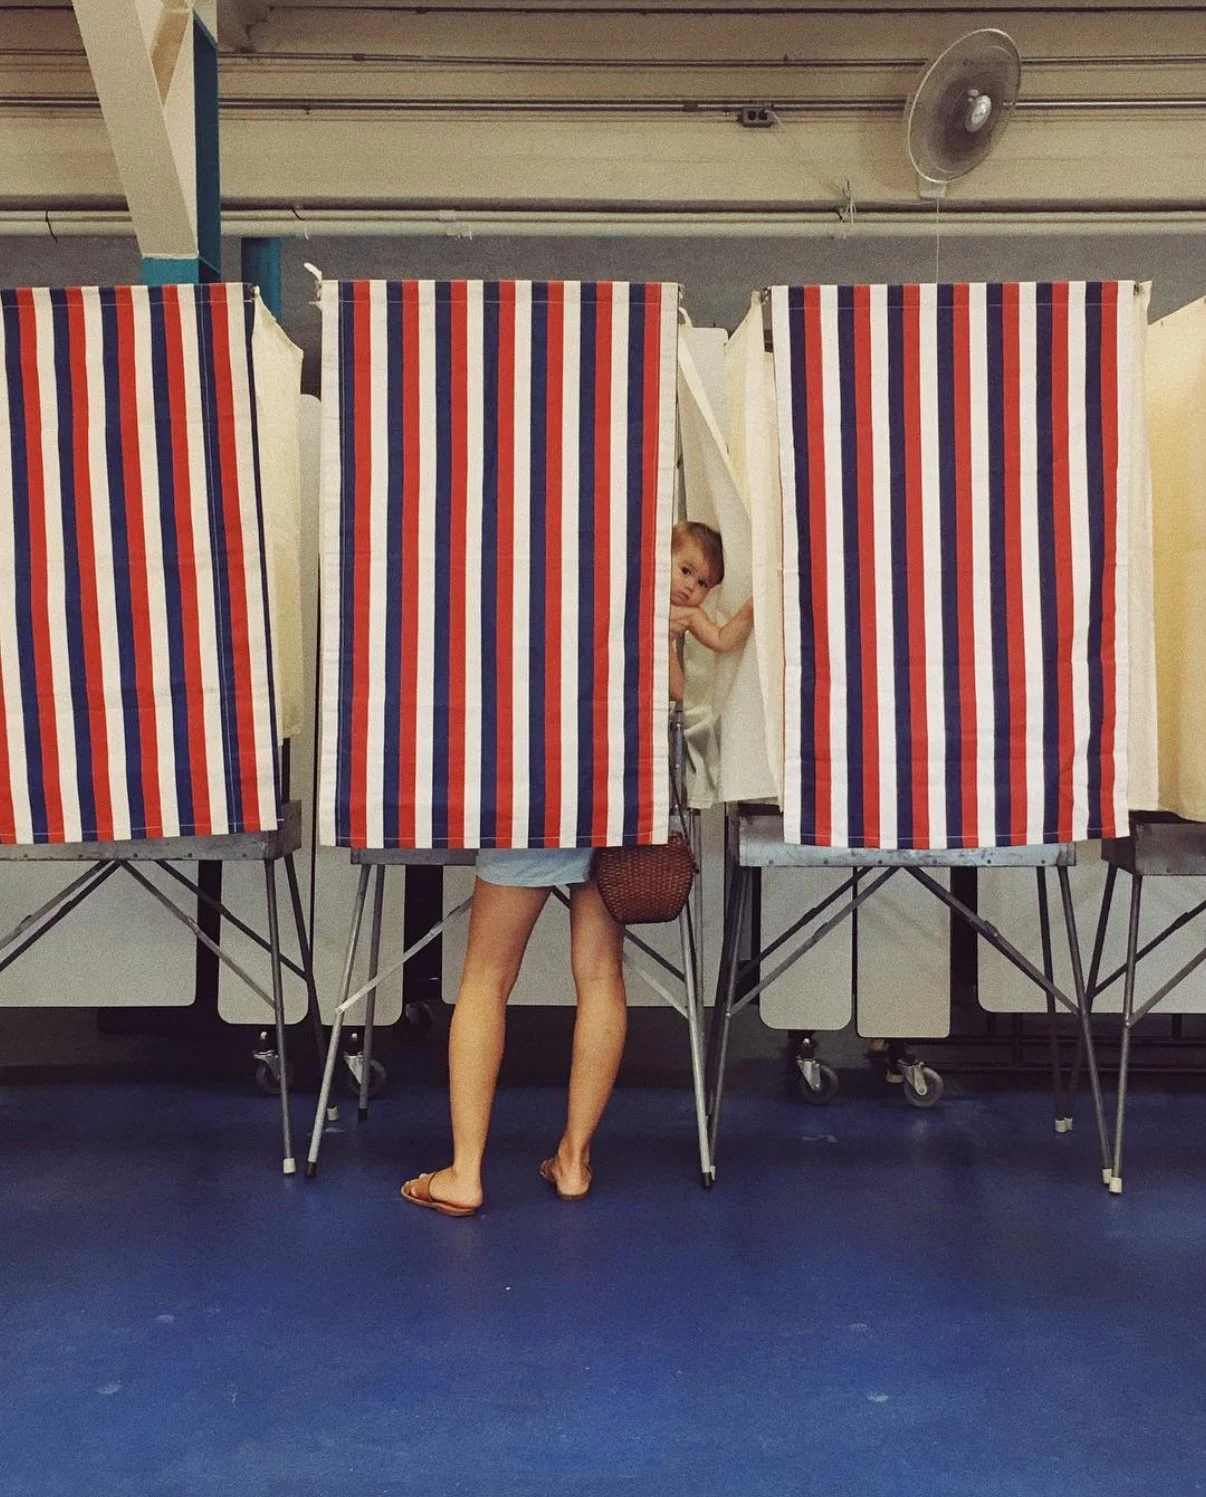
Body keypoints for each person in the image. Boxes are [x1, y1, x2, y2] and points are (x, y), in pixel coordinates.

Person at [401, 850, 627, 1216]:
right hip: (614, 807)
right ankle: (573, 1163)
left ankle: (465, 1173)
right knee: (600, 975)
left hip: (534, 810)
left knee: (486, 979)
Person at [668, 520, 755, 702]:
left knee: (679, 692)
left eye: (703, 583)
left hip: (656, 650)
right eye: (685, 571)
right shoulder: (647, 587)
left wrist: (749, 609)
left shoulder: (691, 613)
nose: (691, 586)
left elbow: (721, 640)